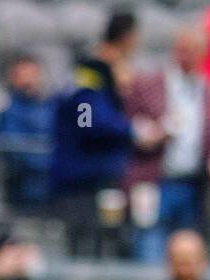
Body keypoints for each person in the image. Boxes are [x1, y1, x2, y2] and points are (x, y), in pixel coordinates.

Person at [126, 25, 210, 263]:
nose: (189, 55)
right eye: (185, 49)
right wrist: (149, 134)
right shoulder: (148, 83)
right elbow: (127, 123)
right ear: (175, 50)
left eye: (195, 50)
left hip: (192, 185)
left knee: (187, 250)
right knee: (149, 245)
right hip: (154, 179)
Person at [49, 9, 149, 257]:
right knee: (83, 249)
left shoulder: (104, 75)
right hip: (80, 181)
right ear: (127, 38)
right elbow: (87, 121)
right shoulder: (89, 72)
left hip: (100, 180)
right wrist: (132, 130)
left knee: (104, 245)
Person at [0, 56, 55, 212]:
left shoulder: (52, 107)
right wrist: (56, 160)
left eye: (32, 75)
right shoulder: (8, 111)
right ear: (12, 78)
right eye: (22, 76)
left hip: (54, 193)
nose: (29, 82)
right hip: (23, 193)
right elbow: (14, 150)